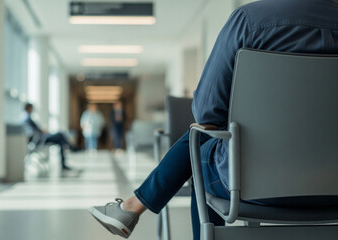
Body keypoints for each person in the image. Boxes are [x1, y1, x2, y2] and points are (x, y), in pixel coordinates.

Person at [89, 0, 338, 239]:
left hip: (253, 183)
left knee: (202, 147)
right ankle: (133, 206)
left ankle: (133, 207)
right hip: (332, 184)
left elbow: (206, 112)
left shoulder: (249, 21)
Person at [22, 103, 77, 171]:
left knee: (60, 141)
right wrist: (43, 131)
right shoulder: (27, 118)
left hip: (40, 138)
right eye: (32, 108)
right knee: (60, 134)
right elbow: (33, 131)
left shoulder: (26, 117)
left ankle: (65, 161)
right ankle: (72, 148)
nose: (33, 110)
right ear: (29, 108)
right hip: (40, 139)